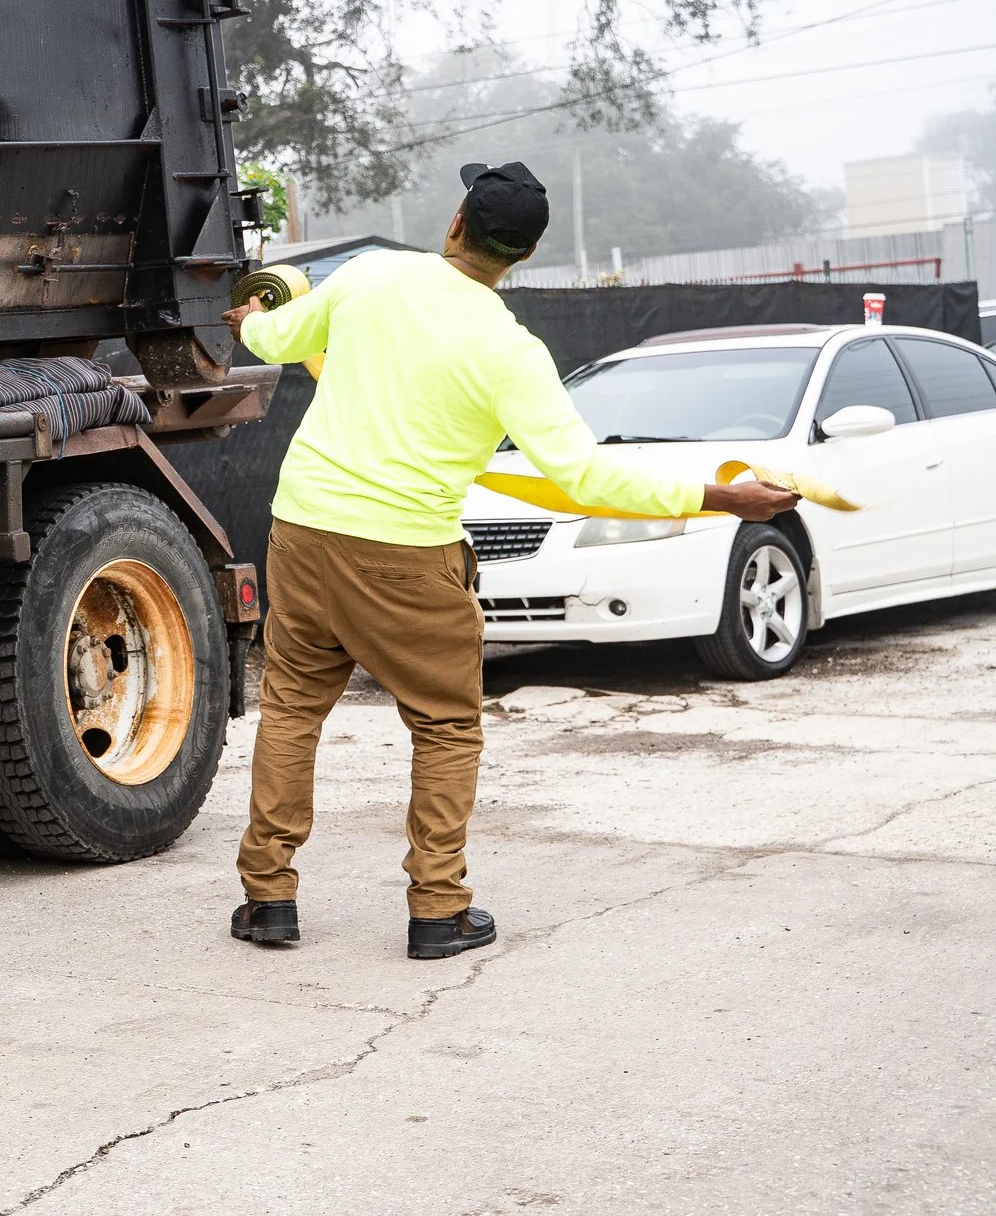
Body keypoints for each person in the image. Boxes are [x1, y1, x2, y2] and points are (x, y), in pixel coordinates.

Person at [222, 161, 799, 959]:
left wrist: (253, 314)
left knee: (290, 708)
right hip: (407, 553)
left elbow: (276, 335)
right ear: (520, 256)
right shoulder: (511, 351)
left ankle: (268, 898)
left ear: (456, 220)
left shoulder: (373, 275)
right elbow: (585, 477)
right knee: (446, 725)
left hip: (305, 528)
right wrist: (722, 498)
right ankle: (437, 908)